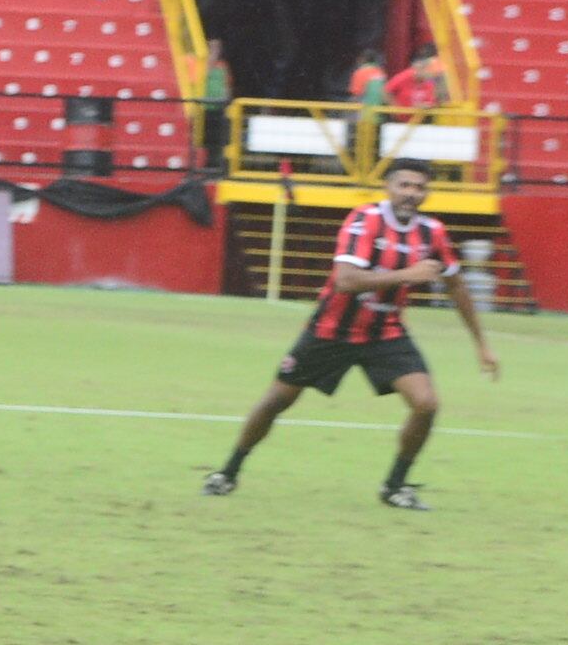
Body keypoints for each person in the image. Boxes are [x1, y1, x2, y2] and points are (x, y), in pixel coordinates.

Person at [202, 156, 496, 511]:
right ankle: (228, 472)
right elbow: (345, 281)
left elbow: (456, 285)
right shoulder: (364, 220)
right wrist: (408, 275)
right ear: (388, 187)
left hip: (385, 333)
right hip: (331, 330)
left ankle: (395, 486)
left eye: (419, 187)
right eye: (404, 185)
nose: (411, 193)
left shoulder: (431, 232)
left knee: (426, 404)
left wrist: (482, 345)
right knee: (277, 400)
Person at [346, 46, 388, 175]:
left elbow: (356, 94)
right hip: (377, 116)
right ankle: (374, 173)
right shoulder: (380, 73)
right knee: (374, 148)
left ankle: (356, 174)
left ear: (362, 59)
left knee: (355, 147)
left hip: (362, 116)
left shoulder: (361, 72)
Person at [197, 37, 233, 173]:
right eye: (213, 47)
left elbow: (227, 85)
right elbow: (203, 74)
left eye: (218, 47)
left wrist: (228, 102)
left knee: (218, 137)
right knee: (203, 137)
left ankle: (216, 164)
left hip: (219, 107)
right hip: (203, 108)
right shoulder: (200, 63)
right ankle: (202, 164)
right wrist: (211, 55)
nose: (216, 50)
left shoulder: (223, 65)